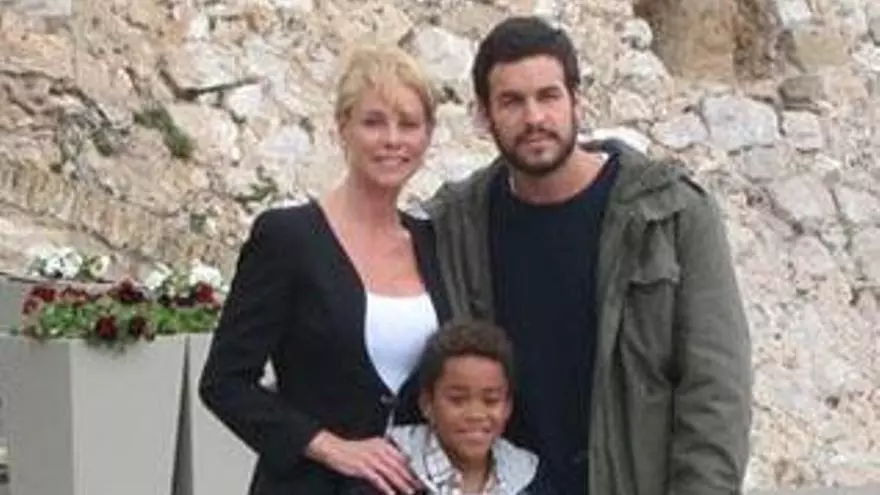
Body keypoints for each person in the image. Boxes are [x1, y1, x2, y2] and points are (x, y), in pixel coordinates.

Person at [425, 16, 753, 495]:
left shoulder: (669, 213)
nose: (534, 118)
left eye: (548, 96)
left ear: (576, 101)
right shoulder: (458, 222)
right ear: (484, 115)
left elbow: (716, 390)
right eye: (512, 101)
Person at [199, 44, 451, 495]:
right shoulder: (288, 238)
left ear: (427, 136)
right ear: (342, 129)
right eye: (373, 122)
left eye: (409, 124)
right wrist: (328, 446)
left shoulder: (433, 243)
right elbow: (225, 382)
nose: (392, 139)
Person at [387, 320, 538, 495]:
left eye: (491, 400)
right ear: (427, 404)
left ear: (508, 407)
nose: (476, 414)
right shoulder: (388, 474)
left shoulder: (530, 480)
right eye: (458, 400)